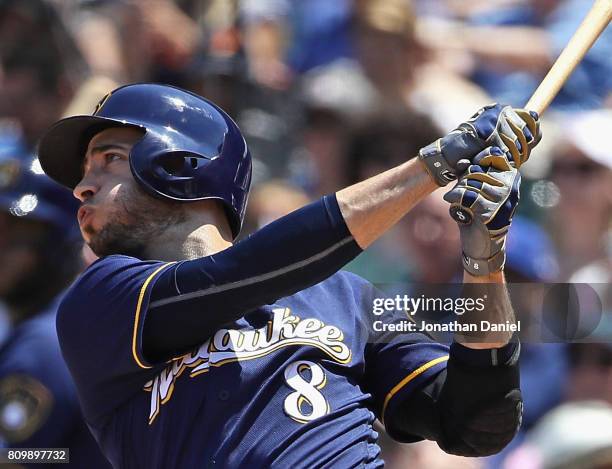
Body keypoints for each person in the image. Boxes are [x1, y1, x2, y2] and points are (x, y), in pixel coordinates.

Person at [37, 83, 540, 468]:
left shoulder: (346, 296)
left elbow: (477, 421)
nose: (82, 186)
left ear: (180, 162)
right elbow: (241, 275)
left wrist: (484, 258)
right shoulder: (100, 298)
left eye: (109, 159)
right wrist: (436, 164)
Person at [0, 139, 110, 467]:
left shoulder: (46, 342)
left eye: (12, 236)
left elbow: (23, 457)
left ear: (55, 245)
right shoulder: (79, 314)